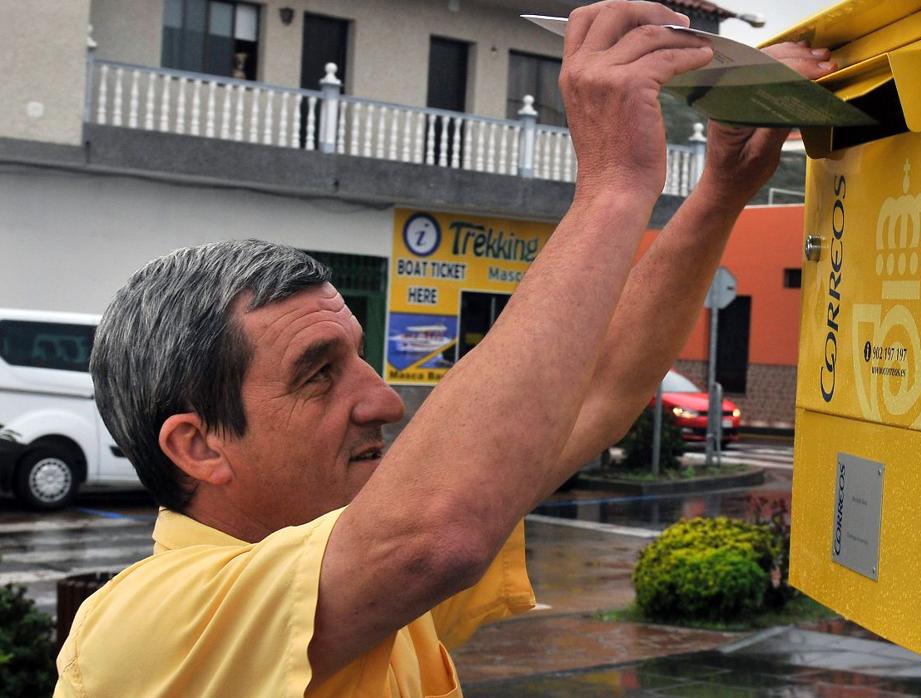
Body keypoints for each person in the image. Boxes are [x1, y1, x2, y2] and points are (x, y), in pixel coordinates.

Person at [53, 2, 836, 695]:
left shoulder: (355, 573)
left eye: (358, 357)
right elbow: (437, 535)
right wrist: (612, 185)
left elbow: (595, 394)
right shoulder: (141, 628)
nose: (384, 400)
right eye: (317, 376)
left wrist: (723, 185)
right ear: (198, 445)